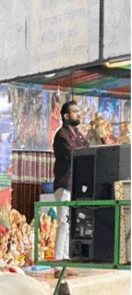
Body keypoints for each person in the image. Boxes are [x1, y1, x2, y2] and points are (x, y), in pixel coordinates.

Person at [53, 99, 88, 261]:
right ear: (66, 116)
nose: (78, 114)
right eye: (75, 111)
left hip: (75, 185)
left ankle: (66, 259)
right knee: (63, 223)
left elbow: (88, 149)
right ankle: (59, 262)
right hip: (64, 185)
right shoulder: (61, 135)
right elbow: (74, 154)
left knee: (71, 224)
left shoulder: (78, 135)